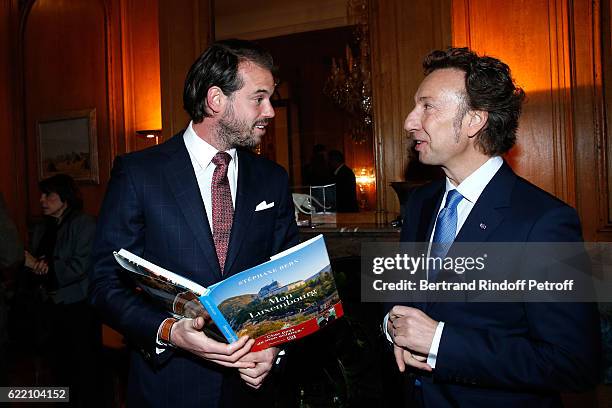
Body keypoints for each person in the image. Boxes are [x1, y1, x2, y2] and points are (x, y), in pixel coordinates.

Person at [384, 47, 601, 407]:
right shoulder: (421, 203)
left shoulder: (544, 222)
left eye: (427, 106)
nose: (409, 121)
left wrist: (440, 342)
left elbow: (573, 363)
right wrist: (392, 327)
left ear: (474, 121)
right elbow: (406, 296)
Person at [90, 39, 299, 407]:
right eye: (259, 97)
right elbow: (105, 284)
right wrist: (170, 331)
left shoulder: (272, 179)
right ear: (216, 100)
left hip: (252, 390)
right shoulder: (139, 174)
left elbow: (289, 279)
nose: (270, 110)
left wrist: (274, 347)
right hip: (170, 387)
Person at [22, 174, 100, 406]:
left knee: (81, 369)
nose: (42, 200)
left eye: (48, 195)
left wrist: (40, 266)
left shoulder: (84, 224)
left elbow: (80, 265)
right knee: (58, 367)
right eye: (41, 195)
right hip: (49, 306)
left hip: (77, 308)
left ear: (64, 199)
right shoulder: (42, 226)